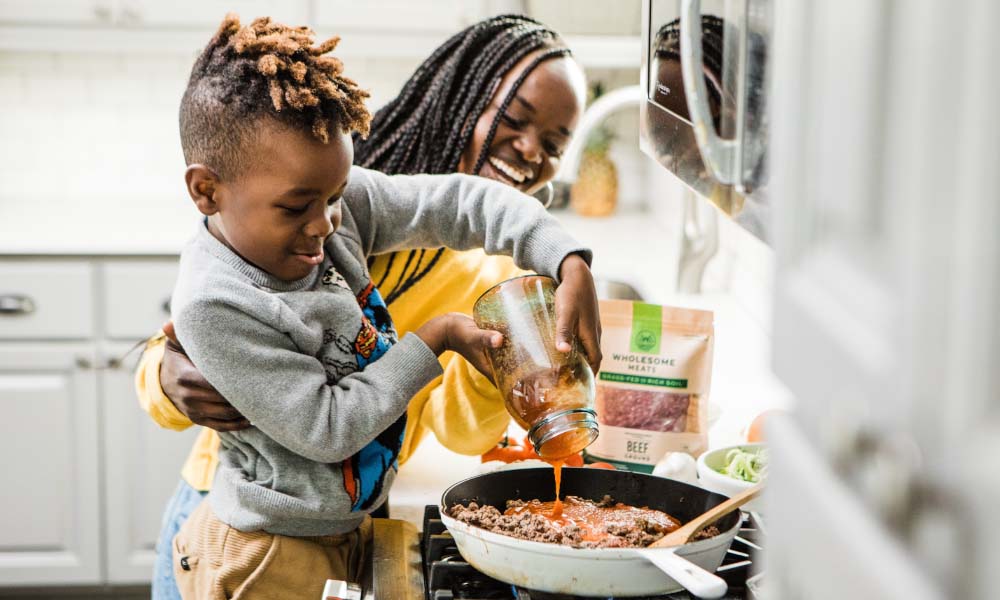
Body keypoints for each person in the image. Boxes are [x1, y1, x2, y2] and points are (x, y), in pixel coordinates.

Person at [135, 14, 589, 598]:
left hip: (348, 518)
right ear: (459, 96)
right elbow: (319, 420)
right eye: (515, 119)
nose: (531, 149)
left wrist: (561, 260)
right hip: (260, 540)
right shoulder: (285, 187)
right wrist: (164, 377)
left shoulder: (330, 196)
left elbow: (462, 204)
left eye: (554, 143)